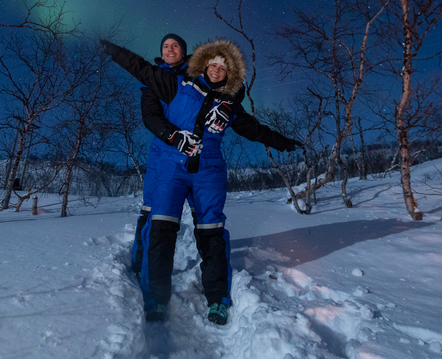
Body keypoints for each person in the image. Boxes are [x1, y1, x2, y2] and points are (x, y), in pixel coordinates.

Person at [101, 38, 300, 325]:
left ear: (229, 73)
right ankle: (156, 297)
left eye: (223, 67)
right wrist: (111, 49)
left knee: (211, 233)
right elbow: (141, 69)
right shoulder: (176, 85)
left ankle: (217, 299)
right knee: (161, 229)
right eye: (213, 64)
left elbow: (255, 130)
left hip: (209, 172)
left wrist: (283, 142)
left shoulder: (228, 105)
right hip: (172, 166)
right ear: (203, 64)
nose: (217, 69)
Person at [131, 33, 194, 281]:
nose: (170, 50)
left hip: (194, 155)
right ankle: (140, 263)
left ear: (183, 50)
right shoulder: (153, 81)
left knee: (203, 215)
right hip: (162, 153)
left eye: (175, 45)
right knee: (151, 209)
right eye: (165, 46)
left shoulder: (196, 78)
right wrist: (173, 136)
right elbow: (151, 116)